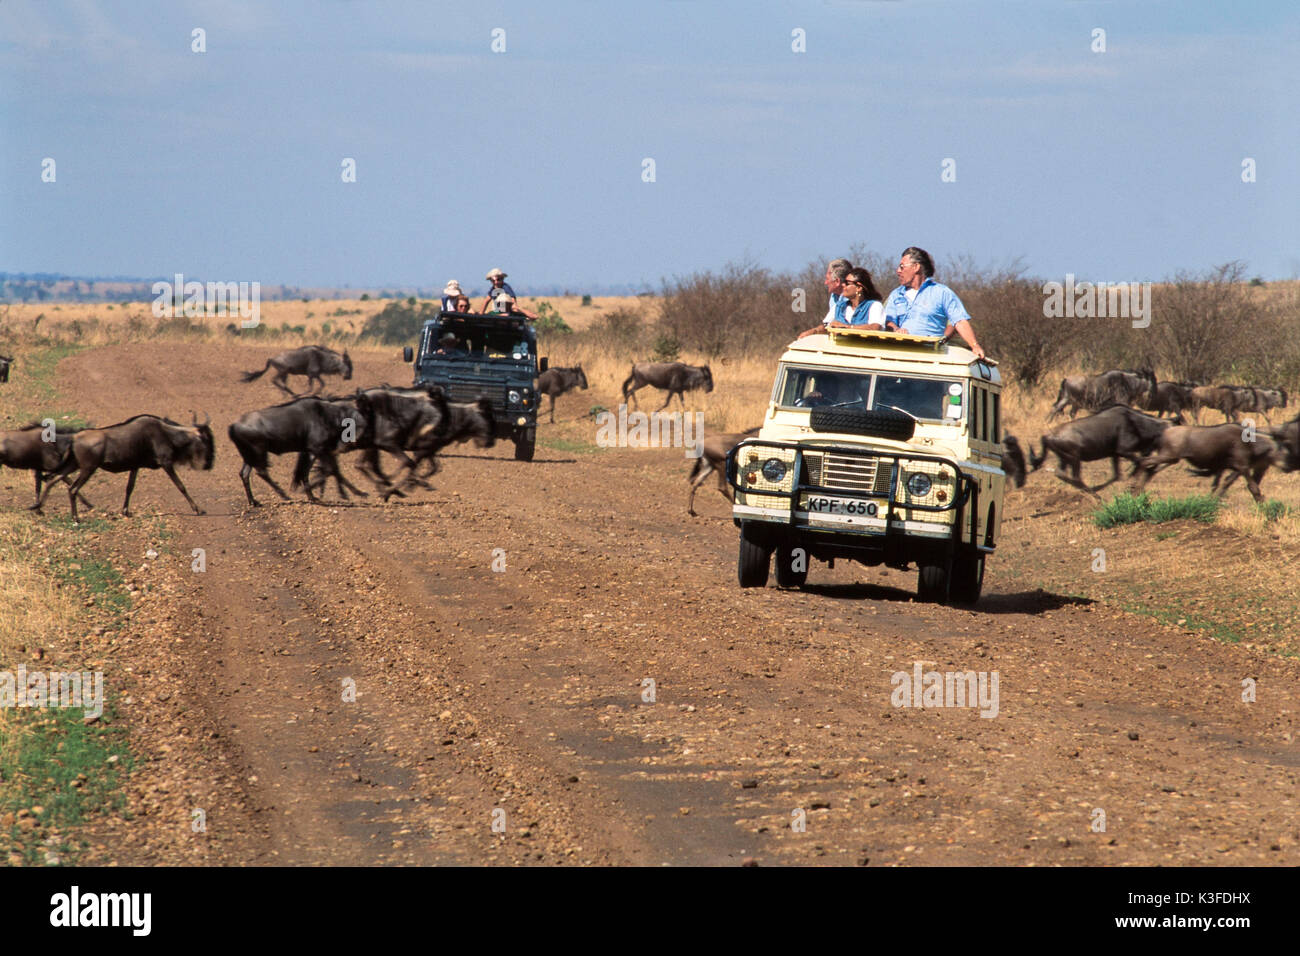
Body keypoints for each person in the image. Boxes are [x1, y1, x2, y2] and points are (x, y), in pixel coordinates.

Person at [882, 247, 986, 360]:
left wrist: (974, 345)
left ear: (916, 267)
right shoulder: (895, 295)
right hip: (901, 354)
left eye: (902, 267)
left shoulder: (942, 293)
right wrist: (897, 330)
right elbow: (888, 321)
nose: (898, 271)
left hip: (931, 356)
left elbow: (960, 321)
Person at [798, 267, 884, 337]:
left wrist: (847, 328)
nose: (843, 285)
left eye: (847, 283)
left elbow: (875, 327)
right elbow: (826, 326)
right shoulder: (839, 306)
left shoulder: (874, 306)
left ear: (859, 288)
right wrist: (814, 331)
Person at [795, 258, 852, 338]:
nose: (825, 283)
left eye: (827, 279)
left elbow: (827, 325)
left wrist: (813, 332)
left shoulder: (851, 299)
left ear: (837, 282)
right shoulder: (834, 297)